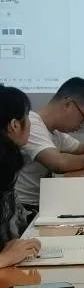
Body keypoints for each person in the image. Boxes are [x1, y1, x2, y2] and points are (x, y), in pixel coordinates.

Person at [15, 77, 84, 213]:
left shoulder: (55, 132)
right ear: (68, 104)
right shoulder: (31, 125)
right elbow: (59, 163)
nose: (82, 125)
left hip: (42, 204)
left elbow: (82, 148)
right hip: (24, 209)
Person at [0, 85, 41, 268]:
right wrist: (4, 258)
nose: (31, 124)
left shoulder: (8, 161)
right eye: (28, 117)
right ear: (14, 125)